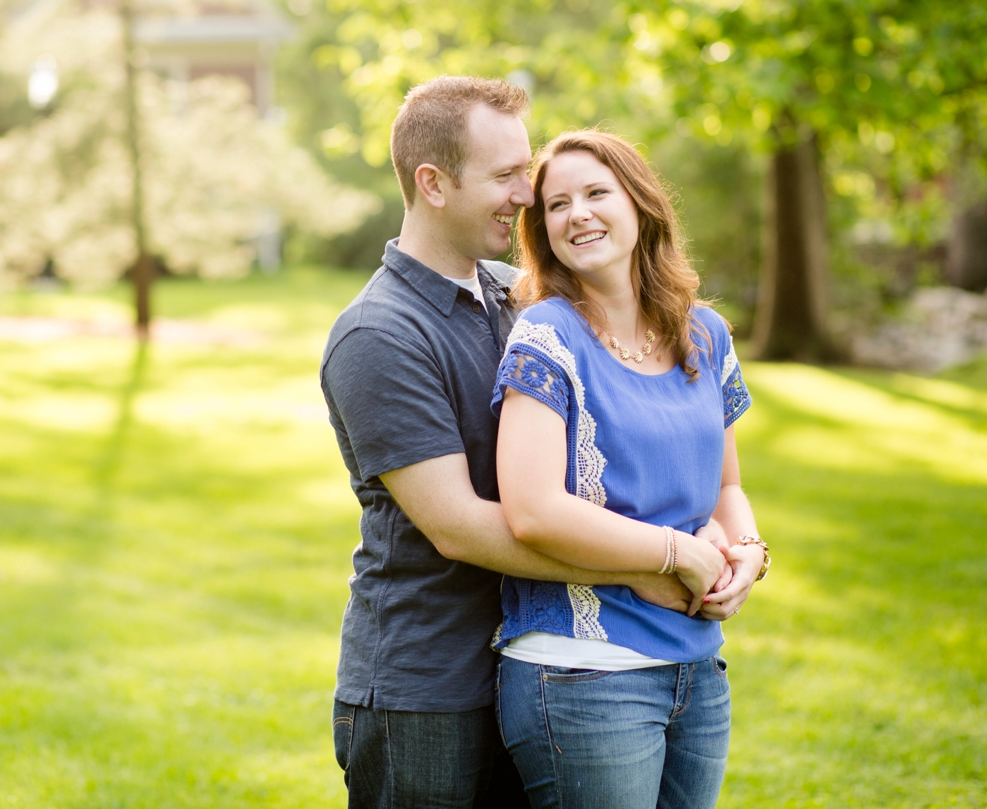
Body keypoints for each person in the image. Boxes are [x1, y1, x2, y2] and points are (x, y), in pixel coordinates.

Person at [320, 78, 693, 809]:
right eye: (505, 176)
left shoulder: (521, 301)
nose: (526, 195)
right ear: (432, 183)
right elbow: (456, 524)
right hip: (424, 690)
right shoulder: (379, 334)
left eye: (525, 172)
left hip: (536, 669)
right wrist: (640, 568)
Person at [490, 129, 769, 809]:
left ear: (640, 205)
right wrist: (677, 552)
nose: (576, 214)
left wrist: (748, 557)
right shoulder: (547, 336)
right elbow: (532, 511)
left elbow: (727, 486)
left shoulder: (706, 333)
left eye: (595, 193)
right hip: (585, 677)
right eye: (556, 205)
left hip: (698, 670)